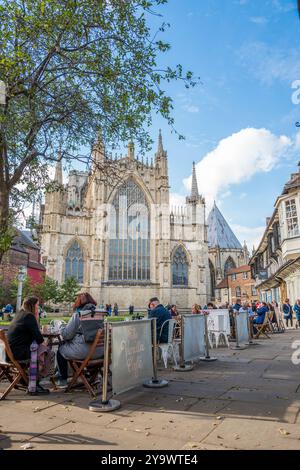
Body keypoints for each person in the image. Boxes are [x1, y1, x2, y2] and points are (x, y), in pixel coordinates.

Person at [56, 293, 104, 388]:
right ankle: (91, 376)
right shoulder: (100, 314)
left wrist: (61, 326)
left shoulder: (79, 314)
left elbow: (66, 335)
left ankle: (63, 380)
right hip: (99, 352)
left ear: (78, 303)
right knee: (73, 346)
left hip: (85, 352)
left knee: (61, 350)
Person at [7, 296, 50, 395]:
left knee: (41, 349)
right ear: (32, 306)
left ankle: (25, 379)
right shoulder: (29, 316)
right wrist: (45, 345)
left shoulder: (20, 314)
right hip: (18, 353)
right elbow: (39, 338)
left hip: (8, 351)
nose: (38, 308)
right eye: (37, 305)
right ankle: (35, 384)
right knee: (46, 352)